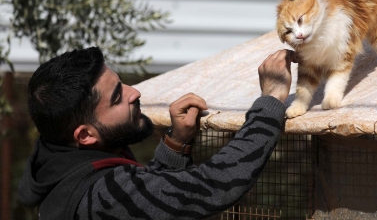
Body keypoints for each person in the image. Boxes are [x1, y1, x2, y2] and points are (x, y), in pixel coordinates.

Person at [18, 46, 296, 220]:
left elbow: (146, 202)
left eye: (122, 83)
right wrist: (271, 99)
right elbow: (212, 187)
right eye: (117, 98)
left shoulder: (60, 164)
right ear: (85, 135)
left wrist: (176, 144)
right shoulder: (100, 194)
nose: (134, 92)